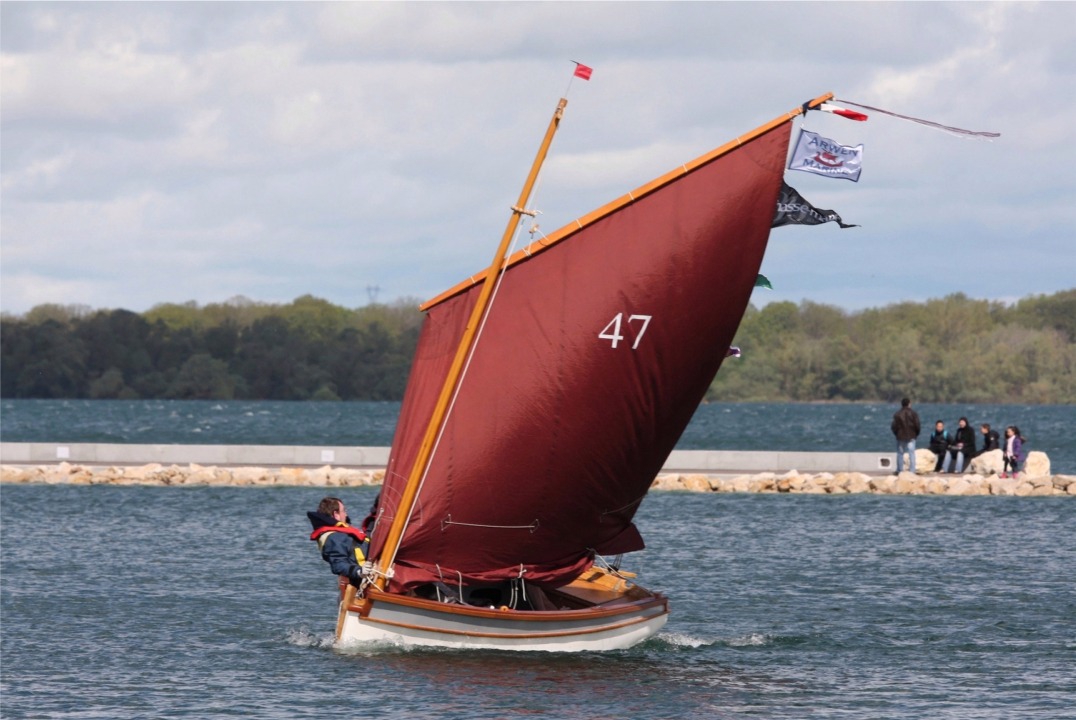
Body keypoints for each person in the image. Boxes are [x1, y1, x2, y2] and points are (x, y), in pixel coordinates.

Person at [307, 497, 369, 585]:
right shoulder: (334, 538)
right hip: (363, 581)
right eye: (344, 511)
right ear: (336, 514)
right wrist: (359, 571)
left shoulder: (341, 533)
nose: (346, 515)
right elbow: (338, 565)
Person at [891, 397, 921, 474]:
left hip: (900, 436)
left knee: (900, 453)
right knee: (912, 454)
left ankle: (900, 470)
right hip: (911, 436)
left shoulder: (897, 414)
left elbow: (893, 427)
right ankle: (912, 471)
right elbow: (917, 425)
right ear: (909, 404)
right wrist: (916, 434)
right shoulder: (913, 413)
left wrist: (896, 434)